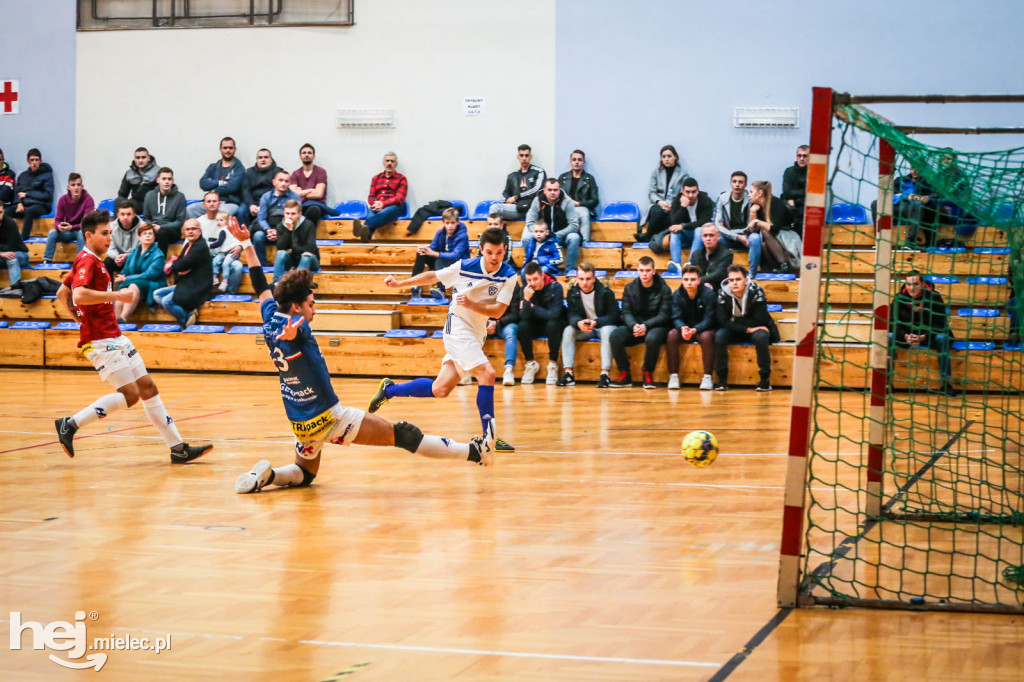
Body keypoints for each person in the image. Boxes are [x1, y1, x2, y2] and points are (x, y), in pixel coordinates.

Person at [216, 221, 494, 494]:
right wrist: (290, 339)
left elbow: (259, 284)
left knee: (306, 474)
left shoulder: (270, 315)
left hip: (299, 422)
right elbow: (290, 338)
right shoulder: (296, 331)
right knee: (404, 434)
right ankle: (475, 453)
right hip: (329, 417)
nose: (315, 310)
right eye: (311, 304)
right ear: (296, 307)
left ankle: (268, 476)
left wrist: (247, 244)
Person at [53, 210, 212, 462]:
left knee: (148, 387)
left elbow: (63, 292)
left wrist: (79, 319)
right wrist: (116, 297)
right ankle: (70, 424)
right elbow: (78, 295)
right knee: (130, 395)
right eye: (104, 233)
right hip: (100, 341)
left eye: (110, 233)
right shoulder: (87, 261)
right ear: (89, 235)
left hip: (114, 335)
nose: (109, 238)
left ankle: (178, 447)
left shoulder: (91, 260)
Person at [368, 228, 518, 451]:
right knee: (487, 374)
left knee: (441, 389)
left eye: (498, 252)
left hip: (477, 333)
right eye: (489, 252)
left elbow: (497, 311)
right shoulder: (465, 267)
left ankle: (389, 390)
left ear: (505, 250)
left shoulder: (509, 275)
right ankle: (490, 437)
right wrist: (400, 284)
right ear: (481, 251)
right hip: (457, 328)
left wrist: (471, 304)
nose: (494, 258)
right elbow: (432, 276)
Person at [889, 270, 956, 395]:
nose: (912, 288)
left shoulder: (934, 297)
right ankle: (887, 383)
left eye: (916, 284)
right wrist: (904, 335)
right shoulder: (899, 298)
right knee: (889, 337)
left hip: (929, 335)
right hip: (906, 335)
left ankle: (946, 384)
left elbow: (940, 323)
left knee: (943, 338)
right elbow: (893, 322)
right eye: (909, 284)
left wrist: (924, 336)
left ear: (923, 283)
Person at [609, 256, 672, 388]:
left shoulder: (664, 289)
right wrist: (634, 326)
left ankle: (648, 373)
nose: (644, 274)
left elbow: (664, 315)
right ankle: (625, 374)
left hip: (656, 326)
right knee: (615, 336)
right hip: (636, 325)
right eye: (642, 270)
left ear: (654, 271)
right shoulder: (630, 288)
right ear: (637, 270)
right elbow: (626, 312)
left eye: (648, 270)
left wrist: (645, 326)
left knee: (652, 338)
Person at [714, 265, 779, 391]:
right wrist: (746, 329)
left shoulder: (757, 291)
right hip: (741, 329)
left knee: (761, 336)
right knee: (719, 336)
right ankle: (722, 380)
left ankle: (765, 380)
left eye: (738, 279)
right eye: (731, 280)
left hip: (756, 327)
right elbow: (722, 321)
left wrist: (734, 320)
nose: (734, 283)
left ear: (746, 280)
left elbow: (760, 319)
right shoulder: (722, 293)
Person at [558, 262, 620, 387]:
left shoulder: (606, 292)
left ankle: (605, 374)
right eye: (581, 279)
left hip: (602, 326)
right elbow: (570, 314)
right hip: (584, 328)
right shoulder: (573, 292)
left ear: (594, 279)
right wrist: (578, 322)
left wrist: (597, 322)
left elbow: (614, 315)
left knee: (607, 331)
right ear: (577, 279)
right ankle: (569, 373)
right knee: (568, 331)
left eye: (588, 279)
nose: (584, 282)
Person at [695, 171, 760, 274]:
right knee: (702, 233)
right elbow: (717, 225)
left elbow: (751, 227)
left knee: (756, 238)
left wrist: (736, 232)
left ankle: (752, 274)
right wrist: (737, 236)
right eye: (734, 181)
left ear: (745, 185)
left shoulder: (751, 199)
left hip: (746, 237)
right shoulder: (722, 199)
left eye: (740, 182)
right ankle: (694, 268)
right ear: (730, 184)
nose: (737, 184)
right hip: (728, 237)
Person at [666, 265, 717, 390]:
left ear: (699, 281)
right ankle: (673, 376)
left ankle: (707, 377)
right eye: (686, 279)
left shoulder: (709, 295)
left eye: (693, 279)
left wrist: (696, 329)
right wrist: (682, 327)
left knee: (706, 337)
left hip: (703, 329)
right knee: (672, 335)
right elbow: (676, 317)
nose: (689, 282)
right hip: (685, 329)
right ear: (682, 280)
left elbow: (710, 318)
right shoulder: (677, 295)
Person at [153, 219, 212, 328]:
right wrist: (177, 266)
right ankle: (187, 313)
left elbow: (181, 264)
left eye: (193, 229)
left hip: (198, 286)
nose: (190, 231)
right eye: (188, 229)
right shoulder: (188, 245)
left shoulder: (200, 246)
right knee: (157, 294)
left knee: (167, 301)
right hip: (186, 283)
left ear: (200, 231)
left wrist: (173, 265)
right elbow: (180, 263)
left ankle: (186, 323)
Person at [649, 177, 714, 273]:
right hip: (685, 236)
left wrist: (683, 226)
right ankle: (676, 265)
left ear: (698, 191)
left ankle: (692, 263)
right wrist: (683, 207)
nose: (691, 195)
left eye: (693, 192)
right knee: (675, 232)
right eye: (687, 192)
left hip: (701, 237)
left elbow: (704, 222)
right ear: (682, 191)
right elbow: (674, 223)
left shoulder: (706, 200)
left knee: (699, 230)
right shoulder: (678, 201)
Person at [517, 262, 567, 385]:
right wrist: (526, 300)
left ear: (542, 276)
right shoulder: (526, 290)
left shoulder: (556, 287)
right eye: (529, 280)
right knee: (522, 327)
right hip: (536, 324)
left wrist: (531, 307)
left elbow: (554, 314)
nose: (532, 283)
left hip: (554, 324)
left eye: (535, 279)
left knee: (552, 324)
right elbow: (522, 316)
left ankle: (553, 364)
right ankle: (531, 363)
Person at [409, 207, 470, 299]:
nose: (450, 226)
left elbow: (455, 256)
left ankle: (441, 289)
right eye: (447, 223)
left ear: (457, 222)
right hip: (443, 264)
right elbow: (433, 248)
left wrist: (434, 253)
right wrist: (424, 249)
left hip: (459, 265)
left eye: (452, 223)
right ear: (443, 223)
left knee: (440, 260)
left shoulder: (463, 236)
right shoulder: (440, 233)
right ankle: (415, 285)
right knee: (421, 253)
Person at [522, 178, 581, 271]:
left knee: (574, 237)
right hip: (542, 237)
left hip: (561, 236)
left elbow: (574, 225)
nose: (553, 192)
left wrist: (557, 235)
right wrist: (541, 233)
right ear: (544, 190)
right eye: (549, 190)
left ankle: (569, 271)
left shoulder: (567, 201)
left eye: (555, 190)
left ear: (559, 190)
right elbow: (530, 222)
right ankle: (531, 268)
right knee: (526, 238)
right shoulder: (537, 201)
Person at [113, 222, 166, 322]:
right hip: (135, 282)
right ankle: (116, 321)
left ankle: (124, 318)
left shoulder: (158, 255)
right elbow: (126, 270)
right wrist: (121, 276)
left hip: (153, 284)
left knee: (133, 286)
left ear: (154, 237)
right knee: (123, 291)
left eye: (150, 234)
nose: (147, 236)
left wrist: (126, 279)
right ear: (139, 237)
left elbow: (149, 275)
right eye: (144, 233)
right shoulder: (133, 253)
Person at [352, 152, 408, 242]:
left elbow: (399, 198)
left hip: (394, 207)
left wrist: (383, 204)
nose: (389, 163)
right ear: (384, 163)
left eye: (392, 161)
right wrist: (375, 204)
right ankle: (366, 238)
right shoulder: (376, 178)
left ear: (395, 164)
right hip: (377, 206)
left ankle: (361, 228)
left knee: (382, 214)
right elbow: (371, 196)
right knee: (372, 213)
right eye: (387, 161)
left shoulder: (401, 179)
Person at [187, 137, 246, 222]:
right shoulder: (213, 166)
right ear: (220, 149)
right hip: (211, 201)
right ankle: (201, 234)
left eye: (230, 148)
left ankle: (216, 235)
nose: (228, 150)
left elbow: (232, 187)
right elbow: (203, 183)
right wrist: (220, 182)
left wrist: (213, 189)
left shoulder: (239, 168)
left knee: (222, 214)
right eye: (225, 148)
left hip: (229, 202)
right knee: (191, 209)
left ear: (234, 149)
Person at [637, 145, 688, 242]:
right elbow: (651, 193)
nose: (666, 159)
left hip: (674, 206)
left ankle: (647, 237)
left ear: (675, 157)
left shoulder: (683, 174)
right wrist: (660, 202)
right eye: (663, 157)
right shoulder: (656, 173)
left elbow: (684, 193)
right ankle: (649, 238)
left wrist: (673, 204)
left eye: (669, 156)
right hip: (657, 205)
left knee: (670, 217)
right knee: (658, 212)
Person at [746, 180, 796, 274]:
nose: (749, 195)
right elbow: (753, 231)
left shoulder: (775, 202)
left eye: (751, 192)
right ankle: (772, 269)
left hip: (787, 236)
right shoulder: (756, 206)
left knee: (765, 233)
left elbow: (775, 228)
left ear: (760, 193)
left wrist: (757, 221)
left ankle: (785, 265)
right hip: (773, 239)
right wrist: (753, 212)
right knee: (763, 244)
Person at [253, 169, 302, 266]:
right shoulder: (266, 197)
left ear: (289, 183)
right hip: (269, 229)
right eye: (280, 180)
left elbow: (297, 220)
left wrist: (279, 233)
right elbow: (261, 218)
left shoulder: (295, 198)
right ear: (274, 182)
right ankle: (263, 267)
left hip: (286, 231)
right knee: (258, 236)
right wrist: (268, 230)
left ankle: (286, 266)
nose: (283, 183)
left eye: (286, 181)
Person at [45, 173, 95, 263]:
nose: (76, 188)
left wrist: (72, 227)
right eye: (73, 185)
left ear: (82, 187)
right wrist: (59, 227)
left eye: (78, 185)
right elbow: (57, 220)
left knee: (81, 233)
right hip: (68, 231)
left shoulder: (88, 200)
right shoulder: (62, 200)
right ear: (68, 187)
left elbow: (86, 224)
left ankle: (81, 261)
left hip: (81, 230)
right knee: (52, 233)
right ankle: (47, 261)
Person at [490, 144, 546, 220]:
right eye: (521, 155)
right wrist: (506, 200)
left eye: (526, 155)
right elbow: (505, 193)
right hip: (516, 208)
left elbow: (537, 190)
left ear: (530, 157)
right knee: (494, 207)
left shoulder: (539, 172)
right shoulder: (512, 175)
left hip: (532, 208)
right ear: (518, 157)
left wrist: (517, 197)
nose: (524, 158)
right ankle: (494, 231)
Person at [557, 149, 599, 241]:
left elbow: (595, 201)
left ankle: (584, 241)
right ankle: (557, 240)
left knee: (584, 213)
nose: (577, 162)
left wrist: (578, 203)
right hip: (565, 207)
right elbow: (557, 195)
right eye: (574, 159)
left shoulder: (589, 179)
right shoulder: (562, 177)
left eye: (579, 160)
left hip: (581, 208)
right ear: (570, 162)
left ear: (583, 162)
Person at [273, 200, 320, 283]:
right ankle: (276, 284)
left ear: (299, 214)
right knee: (281, 253)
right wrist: (289, 230)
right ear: (284, 213)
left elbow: (310, 248)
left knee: (306, 256)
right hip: (292, 260)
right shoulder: (280, 226)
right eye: (287, 213)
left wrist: (293, 249)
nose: (289, 217)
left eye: (293, 214)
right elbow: (281, 247)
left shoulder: (308, 225)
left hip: (310, 261)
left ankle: (297, 285)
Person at [289, 143, 337, 221]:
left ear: (313, 156)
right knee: (291, 211)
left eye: (309, 153)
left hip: (318, 205)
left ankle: (306, 231)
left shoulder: (321, 172)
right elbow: (292, 194)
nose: (306, 155)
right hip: (301, 206)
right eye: (304, 153)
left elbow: (319, 194)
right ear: (300, 156)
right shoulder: (295, 174)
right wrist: (310, 190)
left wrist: (301, 193)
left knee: (313, 210)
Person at [144, 167, 188, 254]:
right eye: (164, 179)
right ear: (158, 180)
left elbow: (179, 221)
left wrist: (161, 227)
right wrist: (152, 227)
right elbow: (146, 217)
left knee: (163, 232)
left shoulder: (180, 197)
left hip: (172, 231)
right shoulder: (149, 195)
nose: (167, 182)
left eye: (169, 179)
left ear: (172, 181)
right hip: (153, 229)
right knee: (140, 232)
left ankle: (160, 261)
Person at [14, 148, 55, 240]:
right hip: (24, 204)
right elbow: (16, 191)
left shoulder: (47, 175)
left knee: (30, 211)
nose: (34, 163)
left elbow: (47, 195)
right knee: (7, 212)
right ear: (28, 161)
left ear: (40, 161)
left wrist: (27, 194)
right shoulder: (23, 175)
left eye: (36, 160)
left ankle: (22, 239)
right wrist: (18, 203)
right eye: (32, 160)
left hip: (42, 206)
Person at [488, 281, 522, 387]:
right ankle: (466, 370)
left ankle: (508, 370)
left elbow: (515, 314)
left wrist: (497, 323)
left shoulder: (513, 285)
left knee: (511, 332)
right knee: (473, 331)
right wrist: (487, 322)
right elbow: (478, 308)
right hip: (487, 322)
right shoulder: (483, 282)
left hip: (505, 323)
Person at [241, 148, 281, 228]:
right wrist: (251, 205)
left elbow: (278, 190)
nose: (263, 160)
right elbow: (245, 190)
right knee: (241, 211)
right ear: (257, 159)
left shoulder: (278, 172)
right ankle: (244, 237)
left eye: (266, 157)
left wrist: (263, 205)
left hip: (270, 203)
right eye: (260, 157)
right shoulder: (249, 172)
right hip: (253, 202)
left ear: (271, 159)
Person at [688, 223, 733, 290]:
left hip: (718, 289)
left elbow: (719, 275)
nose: (708, 238)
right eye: (705, 235)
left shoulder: (727, 254)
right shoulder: (696, 254)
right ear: (702, 238)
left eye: (711, 235)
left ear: (718, 237)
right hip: (698, 288)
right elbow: (692, 274)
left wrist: (698, 280)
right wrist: (702, 283)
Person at [117, 147, 160, 215]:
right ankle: (119, 224)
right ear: (134, 159)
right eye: (138, 158)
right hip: (135, 204)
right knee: (119, 200)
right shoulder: (129, 173)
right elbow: (122, 194)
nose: (140, 160)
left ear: (149, 158)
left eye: (143, 157)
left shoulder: (158, 171)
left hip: (152, 205)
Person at [105, 200, 142, 276]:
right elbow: (109, 248)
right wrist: (116, 257)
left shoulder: (142, 227)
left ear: (134, 215)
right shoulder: (111, 227)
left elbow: (143, 249)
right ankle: (108, 288)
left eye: (128, 214)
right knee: (107, 263)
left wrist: (128, 256)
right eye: (122, 214)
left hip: (135, 259)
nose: (125, 217)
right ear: (118, 215)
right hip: (119, 259)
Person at [210, 211, 243, 294]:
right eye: (217, 220)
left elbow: (219, 242)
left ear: (227, 221)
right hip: (223, 252)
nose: (218, 222)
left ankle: (225, 281)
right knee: (215, 261)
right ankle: (215, 277)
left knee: (226, 263)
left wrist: (209, 246)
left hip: (231, 252)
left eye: (221, 220)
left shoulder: (224, 230)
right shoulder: (223, 230)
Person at [0, 203, 29, 286]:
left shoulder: (10, 223)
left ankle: (16, 288)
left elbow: (11, 247)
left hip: (20, 254)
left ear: (4, 211)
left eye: (0, 212)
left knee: (11, 257)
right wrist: (1, 253)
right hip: (2, 255)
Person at [782, 145, 809, 231]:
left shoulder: (814, 174)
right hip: (789, 207)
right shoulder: (789, 171)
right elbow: (787, 192)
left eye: (805, 156)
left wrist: (796, 201)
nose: (801, 159)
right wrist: (804, 192)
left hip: (805, 208)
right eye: (799, 155)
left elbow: (812, 195)